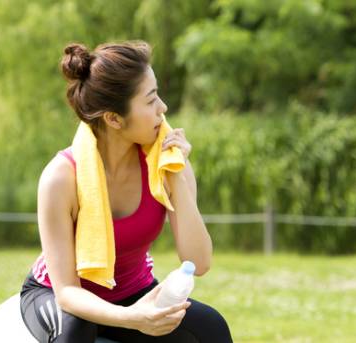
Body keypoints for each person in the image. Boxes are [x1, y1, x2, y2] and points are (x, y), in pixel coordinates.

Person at [19, 41, 233, 343]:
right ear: (114, 118)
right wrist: (133, 318)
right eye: (150, 101)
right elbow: (67, 292)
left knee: (211, 328)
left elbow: (199, 262)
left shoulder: (168, 163)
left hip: (135, 293)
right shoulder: (61, 177)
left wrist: (176, 175)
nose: (163, 108)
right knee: (76, 330)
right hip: (58, 295)